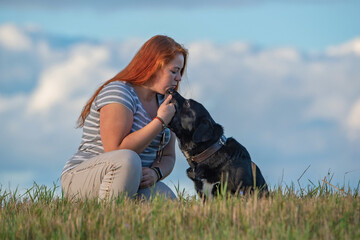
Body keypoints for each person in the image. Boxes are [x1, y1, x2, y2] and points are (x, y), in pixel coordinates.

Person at [61, 35, 188, 201]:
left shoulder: (166, 104)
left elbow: (168, 156)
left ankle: (125, 218)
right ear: (153, 67)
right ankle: (108, 221)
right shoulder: (119, 92)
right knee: (128, 160)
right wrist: (159, 122)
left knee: (170, 204)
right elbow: (116, 151)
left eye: (180, 72)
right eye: (174, 71)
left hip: (132, 181)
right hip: (84, 177)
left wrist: (156, 173)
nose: (179, 78)